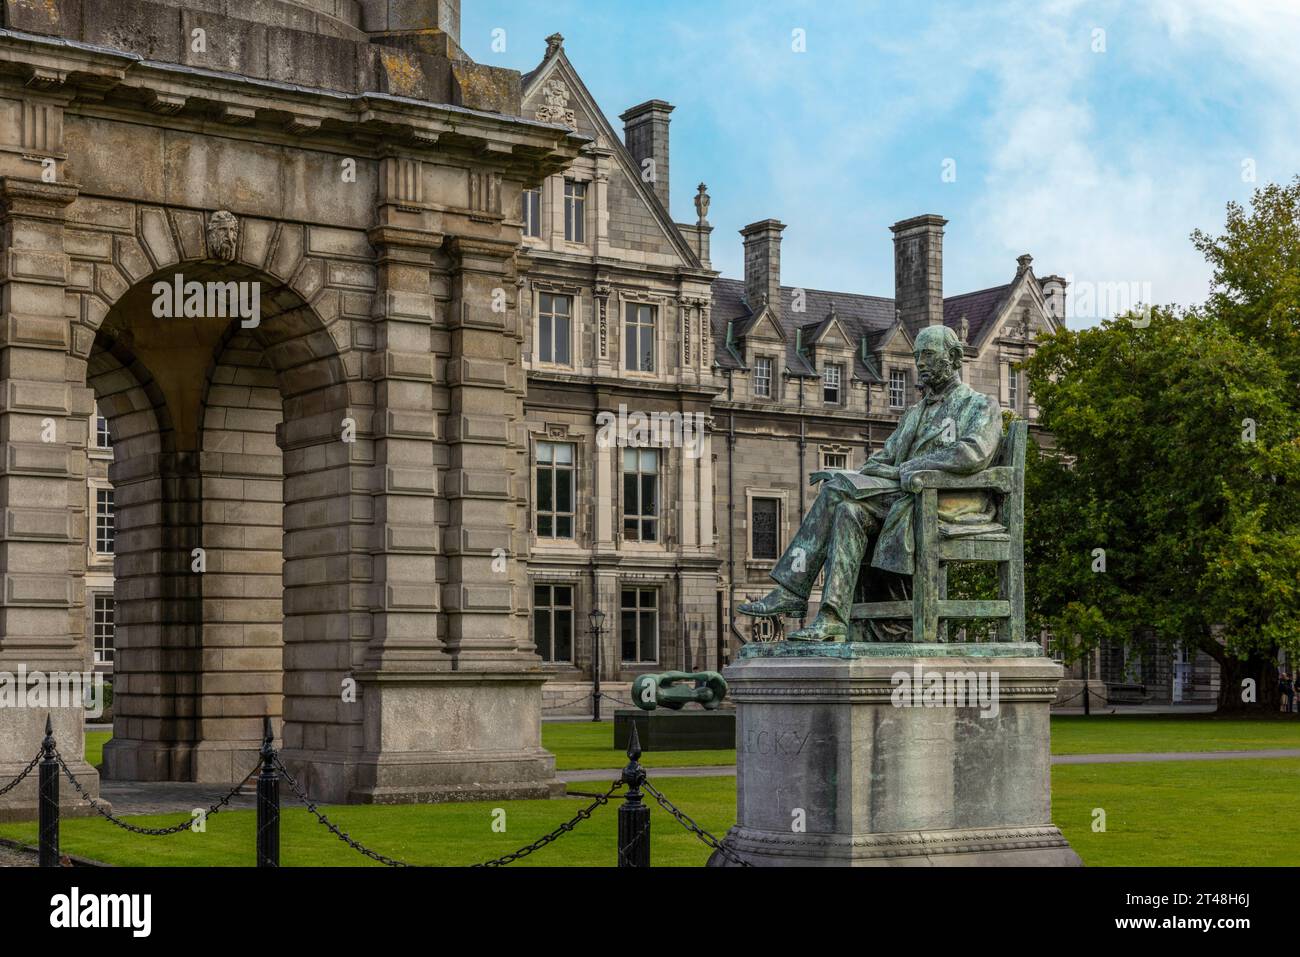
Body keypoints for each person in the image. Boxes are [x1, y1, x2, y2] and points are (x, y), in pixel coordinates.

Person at [737, 325, 1002, 641]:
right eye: (917, 356)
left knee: (835, 494)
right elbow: (885, 456)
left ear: (954, 356)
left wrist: (907, 469)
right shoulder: (915, 412)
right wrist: (855, 476)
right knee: (848, 509)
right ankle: (833, 618)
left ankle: (791, 590)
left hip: (948, 501)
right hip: (905, 496)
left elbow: (971, 453)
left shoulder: (980, 405)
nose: (921, 364)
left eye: (928, 355)